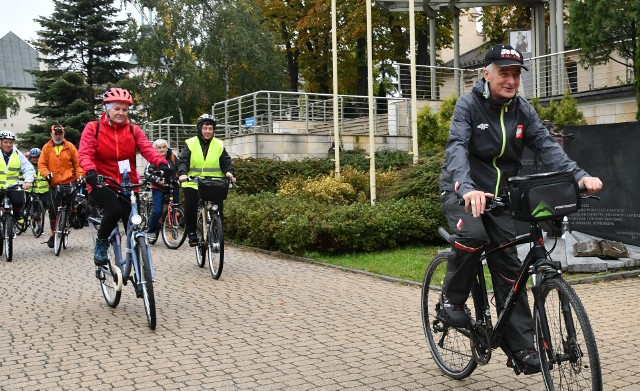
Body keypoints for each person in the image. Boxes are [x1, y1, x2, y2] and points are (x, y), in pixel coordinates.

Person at [438, 44, 603, 374]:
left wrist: (580, 177)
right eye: (504, 73)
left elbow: (546, 146)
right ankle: (451, 301)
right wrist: (467, 189)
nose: (511, 80)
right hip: (462, 191)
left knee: (510, 269)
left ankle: (523, 348)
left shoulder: (522, 110)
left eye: (515, 74)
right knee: (473, 234)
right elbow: (457, 148)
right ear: (487, 74)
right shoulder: (468, 105)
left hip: (499, 198)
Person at [78, 87, 171, 265]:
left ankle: (135, 262)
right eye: (117, 109)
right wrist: (90, 170)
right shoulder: (93, 128)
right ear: (107, 109)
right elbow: (84, 153)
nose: (121, 113)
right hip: (101, 182)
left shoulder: (133, 130)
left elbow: (148, 149)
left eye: (125, 110)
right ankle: (102, 242)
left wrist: (162, 164)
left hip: (128, 183)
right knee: (115, 210)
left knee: (133, 221)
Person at [178, 114, 235, 247]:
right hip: (193, 182)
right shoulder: (191, 143)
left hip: (214, 182)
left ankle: (216, 233)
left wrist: (229, 172)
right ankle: (192, 233)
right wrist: (182, 173)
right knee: (191, 205)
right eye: (205, 128)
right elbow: (183, 161)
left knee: (218, 209)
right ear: (200, 129)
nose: (208, 131)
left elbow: (226, 161)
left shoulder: (219, 144)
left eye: (210, 128)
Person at [38, 125, 84, 248]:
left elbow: (78, 164)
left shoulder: (70, 147)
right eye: (56, 133)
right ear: (51, 134)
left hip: (69, 181)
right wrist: (46, 174)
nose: (58, 135)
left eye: (60, 133)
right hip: (54, 183)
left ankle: (72, 215)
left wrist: (80, 175)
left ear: (63, 134)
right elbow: (41, 164)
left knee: (72, 204)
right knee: (53, 211)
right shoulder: (46, 148)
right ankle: (53, 234)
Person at [143, 138, 180, 241]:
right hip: (158, 187)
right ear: (155, 149)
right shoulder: (153, 158)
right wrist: (156, 179)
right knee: (157, 210)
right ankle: (150, 231)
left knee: (176, 208)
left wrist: (182, 176)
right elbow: (147, 173)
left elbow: (180, 167)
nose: (162, 149)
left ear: (167, 148)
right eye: (159, 148)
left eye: (164, 147)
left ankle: (175, 224)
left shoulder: (172, 157)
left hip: (172, 186)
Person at [0, 131, 35, 221]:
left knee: (19, 202)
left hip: (13, 186)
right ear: (0, 143)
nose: (8, 145)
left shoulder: (17, 154)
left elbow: (28, 168)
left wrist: (28, 181)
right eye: (5, 142)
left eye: (10, 142)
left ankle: (16, 217)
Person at [26, 147, 51, 220]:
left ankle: (39, 216)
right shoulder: (28, 165)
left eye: (37, 157)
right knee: (27, 204)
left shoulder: (45, 165)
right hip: (31, 189)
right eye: (33, 157)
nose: (35, 159)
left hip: (43, 190)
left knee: (44, 204)